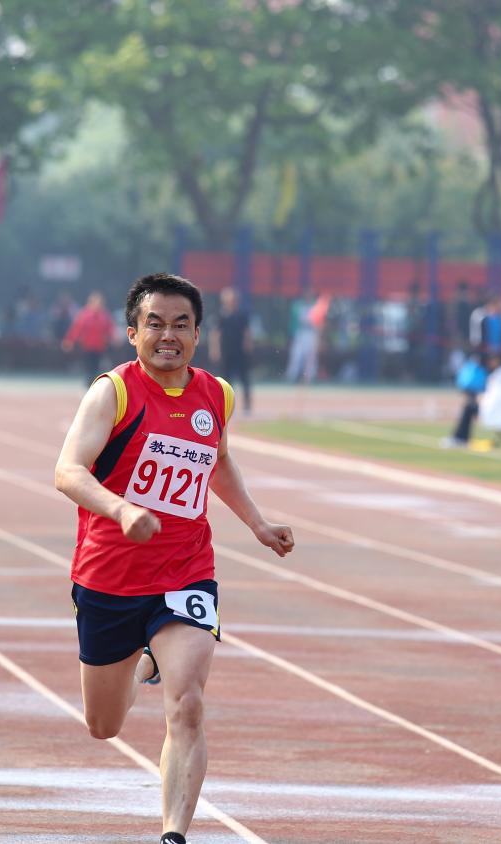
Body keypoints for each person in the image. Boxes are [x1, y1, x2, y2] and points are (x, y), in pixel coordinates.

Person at [54, 272, 295, 844]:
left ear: (197, 334)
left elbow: (218, 461)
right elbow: (67, 470)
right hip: (110, 576)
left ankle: (173, 834)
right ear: (132, 332)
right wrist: (121, 510)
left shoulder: (217, 395)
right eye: (155, 324)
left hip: (186, 572)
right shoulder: (112, 392)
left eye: (181, 325)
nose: (169, 335)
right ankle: (144, 662)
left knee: (187, 705)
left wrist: (258, 523)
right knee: (104, 725)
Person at [210, 287, 253, 414]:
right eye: (230, 300)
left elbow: (247, 332)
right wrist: (215, 349)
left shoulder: (242, 316)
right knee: (225, 380)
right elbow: (215, 334)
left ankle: (247, 404)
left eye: (235, 300)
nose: (233, 302)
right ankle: (224, 404)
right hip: (226, 352)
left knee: (244, 378)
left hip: (240, 352)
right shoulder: (220, 315)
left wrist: (248, 346)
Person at [62, 291, 117, 384]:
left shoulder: (105, 315)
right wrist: (69, 340)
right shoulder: (84, 315)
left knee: (97, 367)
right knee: (89, 367)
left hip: (100, 347)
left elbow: (110, 328)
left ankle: (94, 382)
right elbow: (76, 329)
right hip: (87, 347)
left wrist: (114, 337)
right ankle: (89, 382)